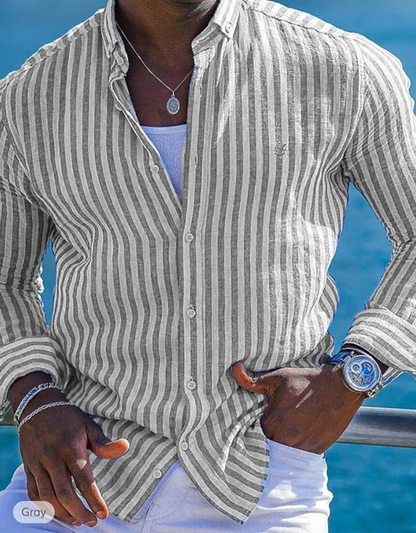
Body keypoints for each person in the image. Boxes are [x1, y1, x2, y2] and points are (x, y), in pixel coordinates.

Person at [0, 0, 415, 531]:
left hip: (261, 482)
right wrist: (35, 398)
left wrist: (357, 372)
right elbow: (7, 281)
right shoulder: (30, 97)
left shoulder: (344, 68)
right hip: (75, 479)